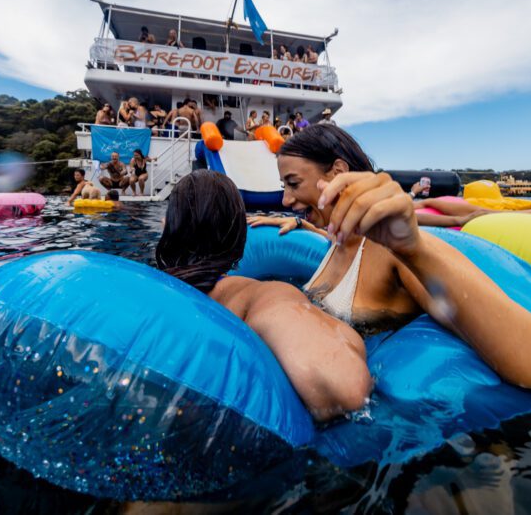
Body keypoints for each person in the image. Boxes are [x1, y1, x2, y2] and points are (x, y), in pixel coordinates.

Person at [247, 124, 531, 393]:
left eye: (293, 184)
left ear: (337, 171)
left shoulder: (391, 254)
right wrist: (301, 222)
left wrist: (414, 248)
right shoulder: (336, 242)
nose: (286, 199)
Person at [155, 169, 371, 421]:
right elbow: (345, 388)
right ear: (239, 235)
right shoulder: (257, 296)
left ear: (167, 227)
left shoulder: (148, 289)